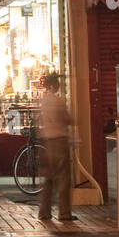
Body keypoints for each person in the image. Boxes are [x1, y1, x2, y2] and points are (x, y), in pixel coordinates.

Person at [37, 73, 76, 224]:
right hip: (59, 141)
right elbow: (67, 119)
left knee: (49, 179)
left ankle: (44, 212)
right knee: (64, 178)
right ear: (54, 86)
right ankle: (64, 213)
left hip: (47, 142)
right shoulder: (58, 101)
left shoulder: (44, 101)